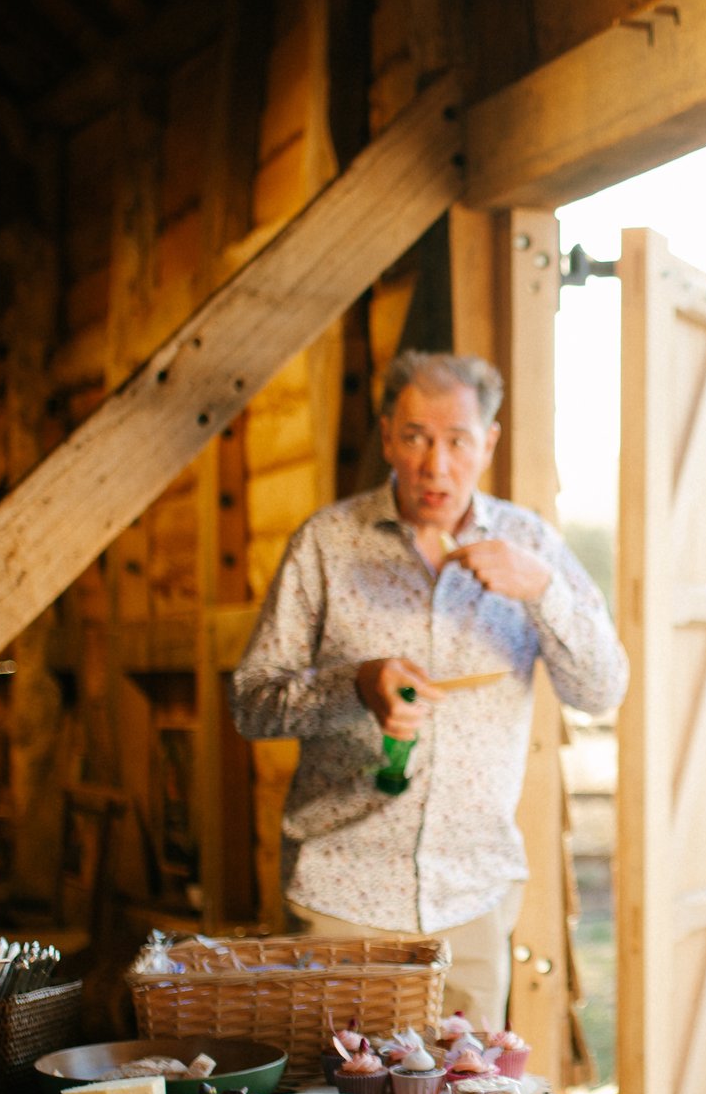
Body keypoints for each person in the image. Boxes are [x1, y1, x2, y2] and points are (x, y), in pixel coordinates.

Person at [233, 351, 627, 1027]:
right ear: (387, 435)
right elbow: (252, 702)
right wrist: (354, 684)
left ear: (488, 443)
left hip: (470, 901)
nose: (434, 463)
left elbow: (600, 689)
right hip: (338, 895)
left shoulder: (529, 544)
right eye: (414, 437)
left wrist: (541, 590)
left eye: (456, 441)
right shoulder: (326, 544)